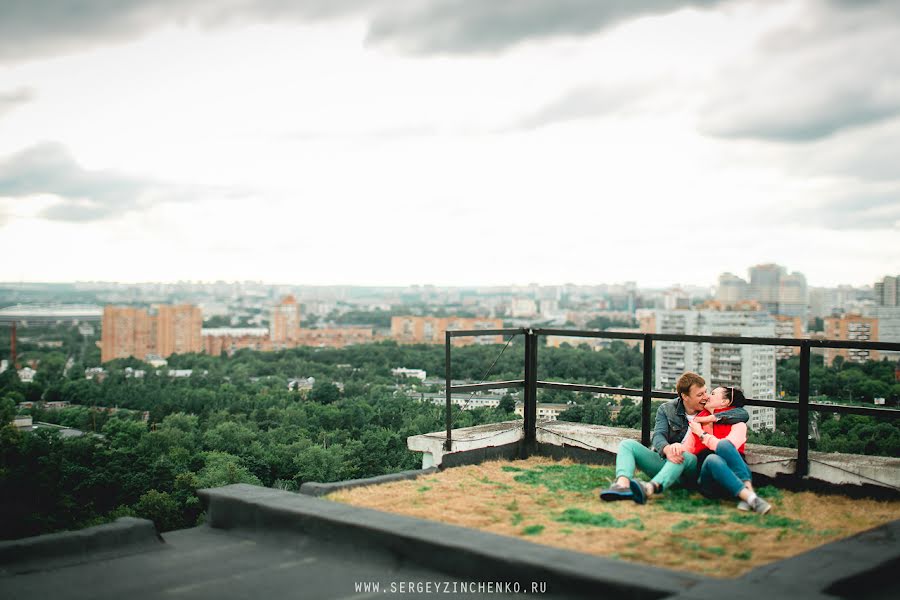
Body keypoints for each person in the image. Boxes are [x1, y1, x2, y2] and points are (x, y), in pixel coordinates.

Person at [600, 372, 749, 503]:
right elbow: (658, 436)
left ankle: (650, 488)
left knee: (681, 454)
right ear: (685, 396)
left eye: (706, 392)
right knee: (627, 444)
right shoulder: (667, 409)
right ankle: (622, 486)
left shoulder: (709, 410)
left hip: (691, 466)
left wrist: (710, 418)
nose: (706, 397)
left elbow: (742, 414)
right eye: (699, 395)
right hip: (669, 459)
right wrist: (667, 448)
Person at [684, 386, 772, 514]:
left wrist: (702, 434)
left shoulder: (738, 425)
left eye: (713, 394)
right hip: (710, 482)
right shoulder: (698, 423)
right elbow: (687, 449)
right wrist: (671, 448)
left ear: (725, 402)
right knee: (711, 459)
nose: (708, 396)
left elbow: (726, 449)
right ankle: (751, 495)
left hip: (733, 476)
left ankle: (748, 496)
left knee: (721, 449)